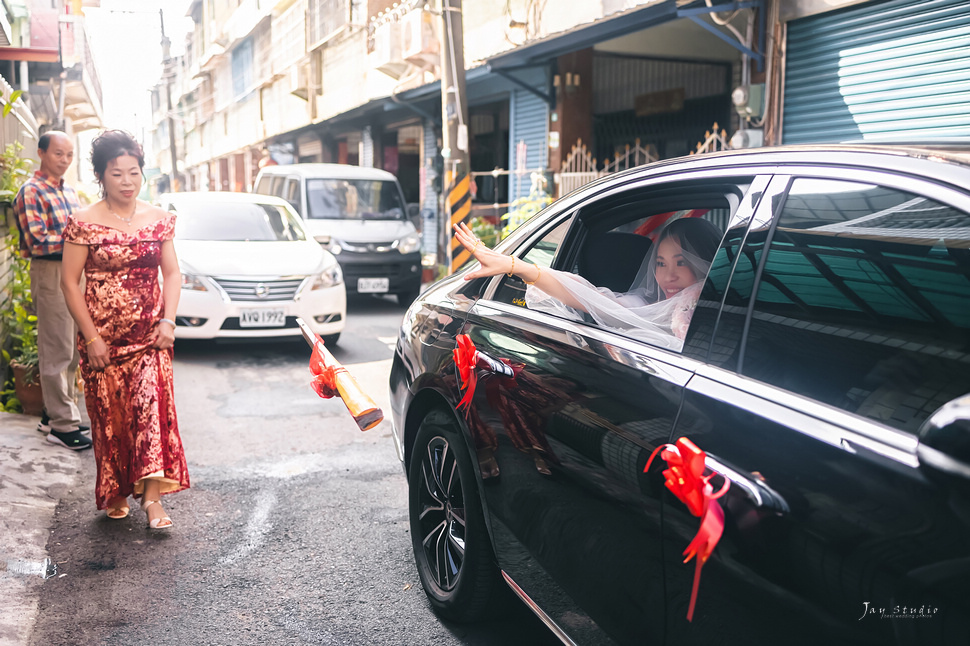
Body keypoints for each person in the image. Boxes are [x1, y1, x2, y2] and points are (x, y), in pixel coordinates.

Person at [60, 130, 189, 528]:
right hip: (103, 341)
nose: (128, 181)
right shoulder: (83, 223)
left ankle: (152, 501)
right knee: (111, 419)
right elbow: (69, 283)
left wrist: (168, 320)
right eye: (117, 174)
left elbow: (172, 273)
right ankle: (116, 489)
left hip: (150, 337)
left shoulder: (159, 219)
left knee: (150, 410)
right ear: (101, 176)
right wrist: (91, 338)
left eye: (134, 172)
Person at [454, 217, 722, 349]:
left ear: (707, 263)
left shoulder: (729, 314)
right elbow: (588, 297)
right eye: (661, 263)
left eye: (681, 262)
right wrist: (517, 266)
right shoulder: (640, 307)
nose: (667, 276)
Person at [14, 131, 91, 451]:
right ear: (42, 153)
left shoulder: (70, 192)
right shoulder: (31, 191)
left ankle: (55, 412)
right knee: (56, 347)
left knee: (73, 346)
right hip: (50, 271)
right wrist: (78, 242)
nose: (64, 160)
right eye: (59, 153)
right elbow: (36, 241)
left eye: (70, 155)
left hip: (74, 271)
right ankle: (62, 425)